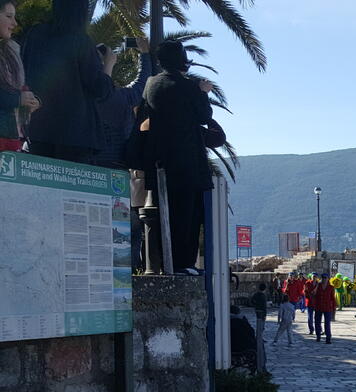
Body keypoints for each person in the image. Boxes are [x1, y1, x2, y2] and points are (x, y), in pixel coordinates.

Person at [141, 39, 214, 274]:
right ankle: (184, 264)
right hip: (188, 163)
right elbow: (204, 116)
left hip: (160, 160)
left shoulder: (151, 84)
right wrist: (203, 92)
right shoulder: (187, 86)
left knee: (166, 214)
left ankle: (166, 263)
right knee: (188, 217)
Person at [21, 0, 114, 162]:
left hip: (38, 129)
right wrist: (109, 64)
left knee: (39, 185)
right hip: (77, 135)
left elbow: (24, 71)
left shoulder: (35, 34)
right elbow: (100, 89)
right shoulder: (80, 40)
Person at [93, 34, 151, 169]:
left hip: (88, 165)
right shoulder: (120, 97)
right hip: (118, 165)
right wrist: (145, 54)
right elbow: (142, 84)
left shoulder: (81, 97)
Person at [0, 1, 40, 152]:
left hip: (11, 138)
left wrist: (31, 101)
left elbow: (20, 86)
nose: (14, 23)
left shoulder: (12, 50)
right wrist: (18, 99)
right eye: (9, 16)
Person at [229, 305, 258, 370]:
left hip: (231, 349)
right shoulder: (243, 322)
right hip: (245, 349)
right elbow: (252, 333)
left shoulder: (226, 323)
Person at [312, 272, 335, 344]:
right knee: (317, 322)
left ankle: (328, 338)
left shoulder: (331, 287)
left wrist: (334, 309)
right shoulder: (318, 286)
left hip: (327, 308)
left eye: (325, 278)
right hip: (318, 307)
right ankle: (318, 336)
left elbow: (333, 299)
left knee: (327, 323)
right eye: (323, 278)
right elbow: (313, 294)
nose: (324, 279)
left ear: (328, 279)